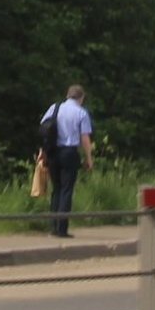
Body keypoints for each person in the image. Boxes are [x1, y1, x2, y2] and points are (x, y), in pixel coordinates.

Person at [41, 85, 94, 238]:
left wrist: (43, 151)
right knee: (66, 190)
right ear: (81, 98)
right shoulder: (81, 113)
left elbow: (44, 129)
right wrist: (88, 158)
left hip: (52, 152)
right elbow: (85, 138)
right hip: (69, 153)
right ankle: (62, 229)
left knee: (56, 189)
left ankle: (53, 226)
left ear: (68, 96)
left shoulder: (54, 108)